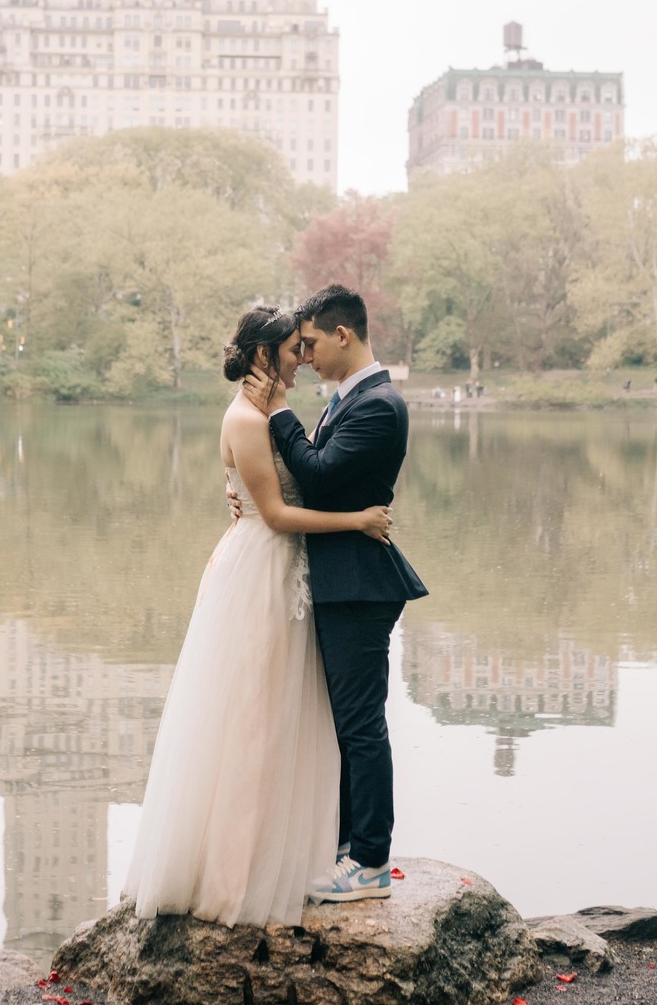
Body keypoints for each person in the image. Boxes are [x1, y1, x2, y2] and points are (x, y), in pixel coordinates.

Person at [123, 305, 393, 929]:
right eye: (294, 350)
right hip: (261, 573)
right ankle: (234, 877)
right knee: (250, 720)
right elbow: (272, 514)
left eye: (307, 346)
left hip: (288, 575)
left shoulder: (271, 417)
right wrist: (358, 521)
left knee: (283, 718)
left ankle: (289, 857)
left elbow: (306, 474)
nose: (304, 358)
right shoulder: (246, 420)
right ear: (263, 355)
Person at [243, 284, 428, 903]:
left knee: (361, 724)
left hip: (357, 584)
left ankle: (371, 861)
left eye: (312, 343)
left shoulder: (378, 404)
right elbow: (316, 472)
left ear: (342, 334)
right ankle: (351, 846)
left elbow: (319, 475)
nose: (307, 356)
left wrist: (276, 416)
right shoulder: (351, 398)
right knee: (349, 723)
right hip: (340, 578)